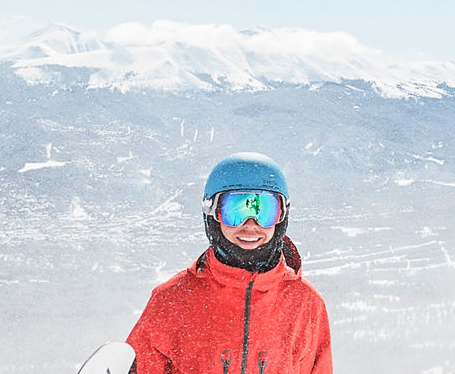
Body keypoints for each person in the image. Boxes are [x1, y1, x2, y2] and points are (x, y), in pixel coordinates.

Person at [126, 153, 333, 374]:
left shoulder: (305, 303)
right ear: (212, 214)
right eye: (235, 210)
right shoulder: (171, 300)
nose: (250, 225)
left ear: (282, 217)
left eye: (264, 211)